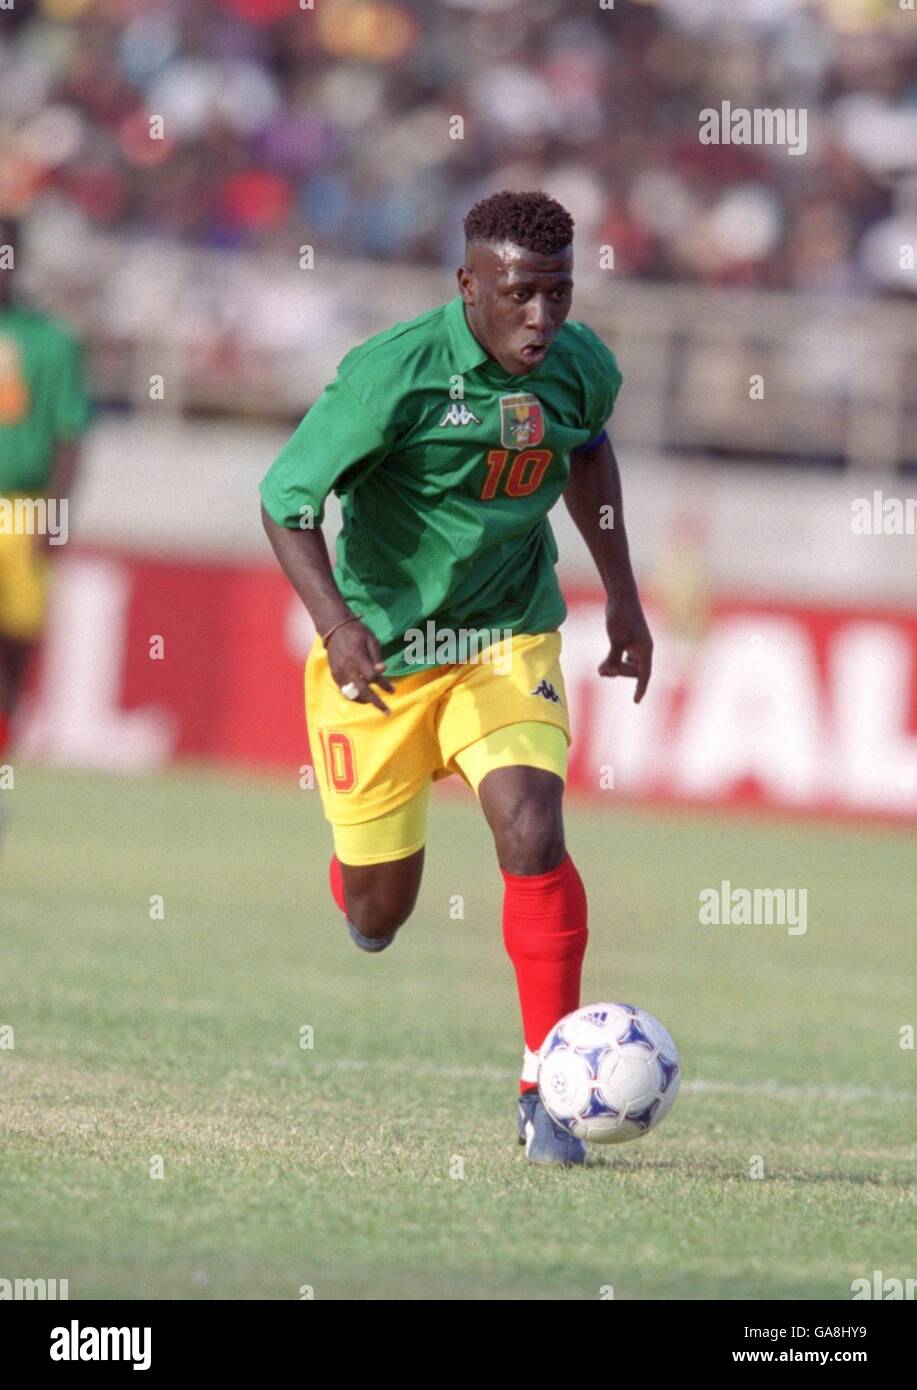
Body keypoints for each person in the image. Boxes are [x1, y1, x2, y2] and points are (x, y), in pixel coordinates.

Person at [260, 190, 653, 1165]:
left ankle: (546, 1088)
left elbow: (586, 455)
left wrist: (624, 597)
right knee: (377, 911)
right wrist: (337, 623)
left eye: (558, 294)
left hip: (503, 635)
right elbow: (283, 500)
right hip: (382, 661)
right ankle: (360, 885)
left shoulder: (580, 367)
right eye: (521, 295)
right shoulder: (390, 375)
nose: (542, 319)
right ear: (468, 286)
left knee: (530, 822)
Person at [0, 216, 90, 760]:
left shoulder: (50, 340)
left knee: (13, 649)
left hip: (22, 508)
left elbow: (69, 436)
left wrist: (55, 519)